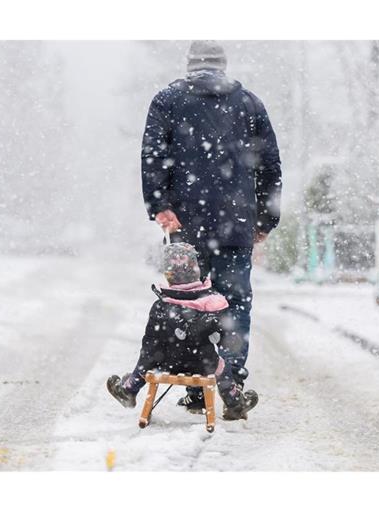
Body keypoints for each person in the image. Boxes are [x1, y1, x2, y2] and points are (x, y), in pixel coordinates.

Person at [141, 41, 282, 412]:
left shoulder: (167, 101)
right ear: (223, 66)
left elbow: (153, 154)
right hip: (236, 224)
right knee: (234, 305)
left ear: (190, 66)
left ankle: (195, 388)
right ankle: (230, 383)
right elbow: (270, 165)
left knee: (190, 305)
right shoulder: (250, 104)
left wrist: (161, 206)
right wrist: (265, 219)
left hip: (186, 224)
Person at [107, 243, 259, 420]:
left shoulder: (161, 306)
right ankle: (234, 403)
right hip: (203, 364)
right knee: (221, 365)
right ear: (197, 270)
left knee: (150, 351)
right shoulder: (213, 304)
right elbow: (226, 341)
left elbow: (149, 345)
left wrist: (143, 368)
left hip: (164, 363)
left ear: (167, 274)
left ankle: (129, 389)